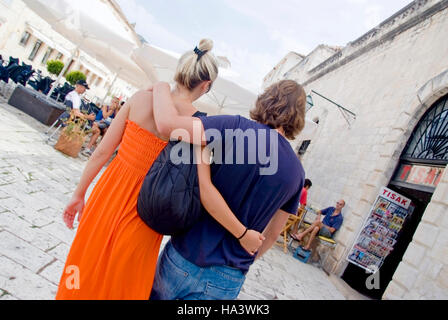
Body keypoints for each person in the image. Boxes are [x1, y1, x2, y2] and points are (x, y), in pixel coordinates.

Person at [56, 39, 263, 300]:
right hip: (149, 209)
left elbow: (101, 152)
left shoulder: (141, 98)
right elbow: (203, 180)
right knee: (125, 282)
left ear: (180, 71)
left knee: (84, 263)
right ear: (206, 85)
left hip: (108, 194)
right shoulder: (199, 125)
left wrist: (79, 194)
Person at [149, 77, 307, 300]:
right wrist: (239, 263)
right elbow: (272, 235)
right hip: (229, 275)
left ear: (267, 100)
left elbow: (167, 124)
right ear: (299, 117)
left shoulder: (235, 127)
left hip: (186, 252)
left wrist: (161, 87)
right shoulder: (297, 173)